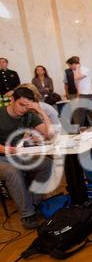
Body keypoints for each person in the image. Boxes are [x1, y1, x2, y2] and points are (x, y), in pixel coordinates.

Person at [0, 87, 53, 229]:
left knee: (47, 163)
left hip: (17, 154)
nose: (24, 109)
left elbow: (49, 134)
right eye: (21, 104)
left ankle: (32, 203)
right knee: (12, 171)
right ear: (12, 100)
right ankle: (27, 214)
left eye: (27, 106)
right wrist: (4, 149)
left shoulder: (29, 115)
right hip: (2, 157)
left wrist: (40, 111)